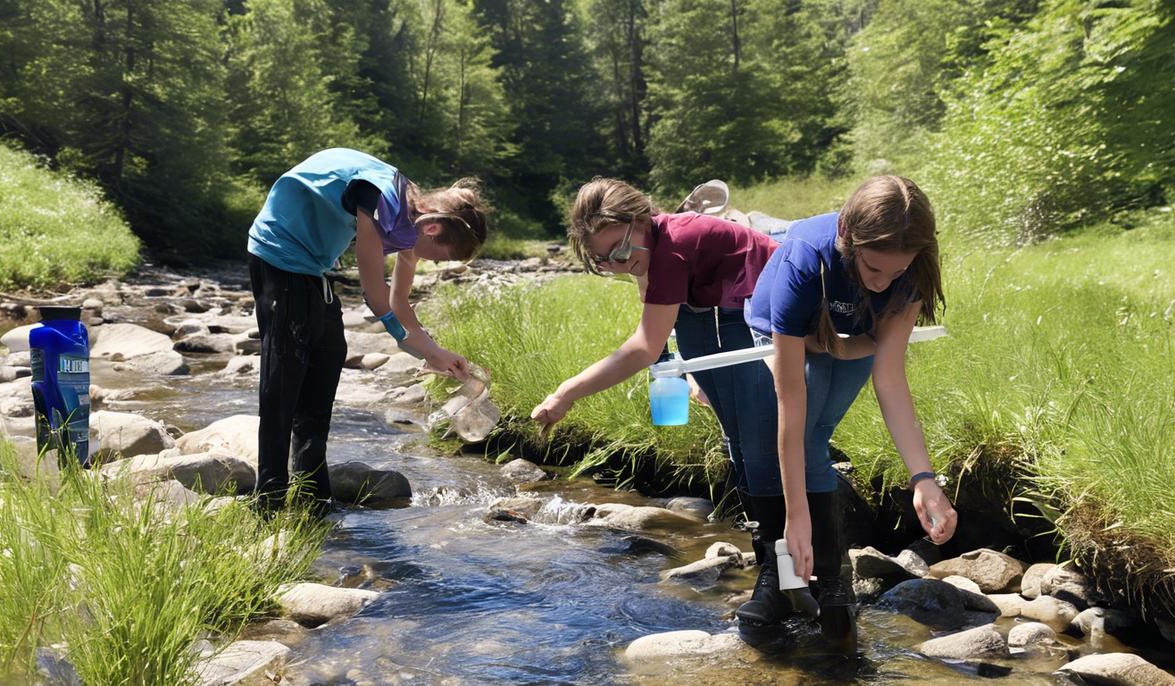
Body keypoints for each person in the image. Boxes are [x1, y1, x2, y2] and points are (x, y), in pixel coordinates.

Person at [529, 177, 795, 626]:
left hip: (755, 305)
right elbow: (663, 326)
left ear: (640, 221)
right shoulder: (651, 250)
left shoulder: (672, 246)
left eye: (617, 250)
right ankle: (774, 560)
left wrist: (564, 393)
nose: (614, 263)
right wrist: (691, 371)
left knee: (759, 444)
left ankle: (786, 574)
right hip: (709, 309)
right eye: (601, 259)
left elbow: (643, 348)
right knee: (738, 446)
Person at [744, 175, 958, 650]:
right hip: (785, 328)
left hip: (851, 334)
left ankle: (827, 582)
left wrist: (923, 478)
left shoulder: (912, 269)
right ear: (847, 233)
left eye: (895, 273)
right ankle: (800, 576)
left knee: (815, 439)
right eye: (873, 268)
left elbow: (890, 379)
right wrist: (795, 515)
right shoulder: (807, 256)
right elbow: (791, 398)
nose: (883, 282)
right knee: (801, 436)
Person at [247, 147, 489, 511]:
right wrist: (413, 346)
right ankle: (269, 497)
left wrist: (435, 353)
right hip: (278, 254)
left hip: (311, 268)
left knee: (327, 358)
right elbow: (376, 297)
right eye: (441, 257)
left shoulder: (412, 220)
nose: (432, 263)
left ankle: (313, 494)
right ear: (434, 228)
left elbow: (401, 303)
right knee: (284, 377)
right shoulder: (380, 198)